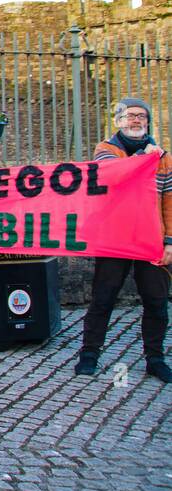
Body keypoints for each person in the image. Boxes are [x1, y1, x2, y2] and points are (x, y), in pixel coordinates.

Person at [75, 97, 172, 382]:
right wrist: (145, 158)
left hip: (150, 238)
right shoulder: (105, 150)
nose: (136, 120)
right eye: (130, 116)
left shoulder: (163, 158)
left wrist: (169, 241)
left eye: (142, 116)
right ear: (118, 121)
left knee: (156, 301)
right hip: (115, 237)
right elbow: (114, 178)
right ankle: (89, 354)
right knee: (103, 298)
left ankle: (155, 358)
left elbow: (169, 200)